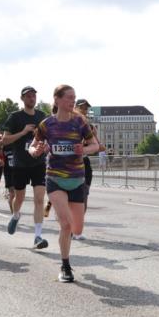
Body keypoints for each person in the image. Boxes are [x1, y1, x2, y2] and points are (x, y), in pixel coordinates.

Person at [29, 85, 93, 282]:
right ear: (57, 100)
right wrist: (35, 151)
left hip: (77, 179)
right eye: (69, 97)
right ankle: (65, 266)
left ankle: (64, 218)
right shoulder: (46, 124)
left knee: (77, 229)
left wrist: (83, 149)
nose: (72, 101)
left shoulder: (79, 122)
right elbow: (32, 146)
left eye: (74, 97)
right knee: (65, 225)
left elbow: (95, 145)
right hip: (55, 178)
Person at [2, 87, 49, 249]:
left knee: (39, 199)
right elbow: (5, 140)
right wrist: (23, 132)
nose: (31, 98)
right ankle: (16, 215)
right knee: (19, 197)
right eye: (28, 96)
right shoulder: (15, 117)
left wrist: (46, 147)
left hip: (38, 163)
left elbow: (49, 137)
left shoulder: (42, 116)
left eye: (33, 96)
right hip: (20, 164)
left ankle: (37, 236)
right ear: (22, 98)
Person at [71, 98, 102, 240]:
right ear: (75, 107)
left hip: (85, 163)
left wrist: (94, 135)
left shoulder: (89, 125)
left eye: (86, 108)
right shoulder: (69, 122)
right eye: (82, 107)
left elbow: (99, 147)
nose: (84, 110)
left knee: (84, 197)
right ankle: (69, 227)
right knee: (72, 198)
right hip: (70, 163)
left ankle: (76, 229)